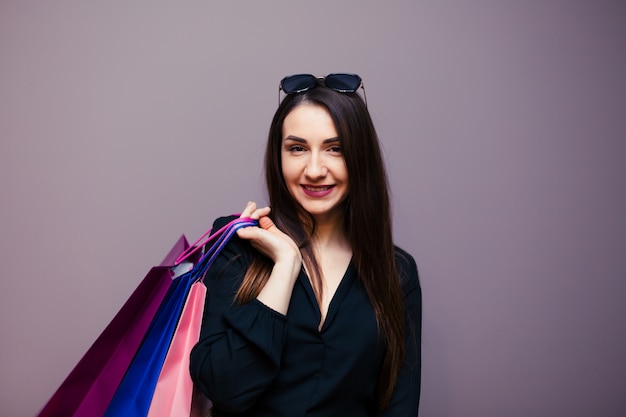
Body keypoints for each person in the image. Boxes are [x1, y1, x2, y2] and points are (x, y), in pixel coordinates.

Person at [189, 73, 421, 416]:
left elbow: (398, 405)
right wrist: (284, 267)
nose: (314, 169)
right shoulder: (236, 245)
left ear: (360, 158)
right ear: (278, 156)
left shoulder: (396, 272)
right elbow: (227, 389)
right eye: (297, 148)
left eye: (335, 149)